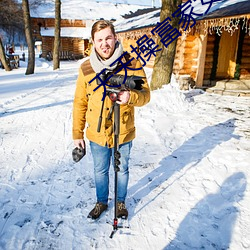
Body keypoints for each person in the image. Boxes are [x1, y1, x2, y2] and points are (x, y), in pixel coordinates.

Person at [72, 20, 150, 220]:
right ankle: (101, 202)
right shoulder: (86, 68)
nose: (104, 43)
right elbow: (80, 102)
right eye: (99, 40)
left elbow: (145, 95)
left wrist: (130, 97)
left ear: (116, 38)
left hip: (123, 130)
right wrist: (77, 134)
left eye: (108, 38)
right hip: (97, 133)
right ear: (93, 42)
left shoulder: (132, 64)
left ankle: (121, 202)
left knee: (121, 168)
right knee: (100, 170)